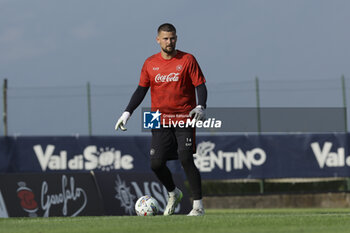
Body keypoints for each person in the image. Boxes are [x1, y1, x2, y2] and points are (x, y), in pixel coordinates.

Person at [115, 23, 207, 216]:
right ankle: (174, 193)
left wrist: (201, 105)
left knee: (185, 158)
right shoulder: (150, 63)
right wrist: (127, 113)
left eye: (172, 38)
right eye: (165, 38)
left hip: (184, 115)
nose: (169, 42)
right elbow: (141, 90)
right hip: (156, 117)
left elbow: (200, 85)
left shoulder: (188, 59)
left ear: (176, 38)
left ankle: (198, 207)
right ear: (158, 40)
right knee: (155, 163)